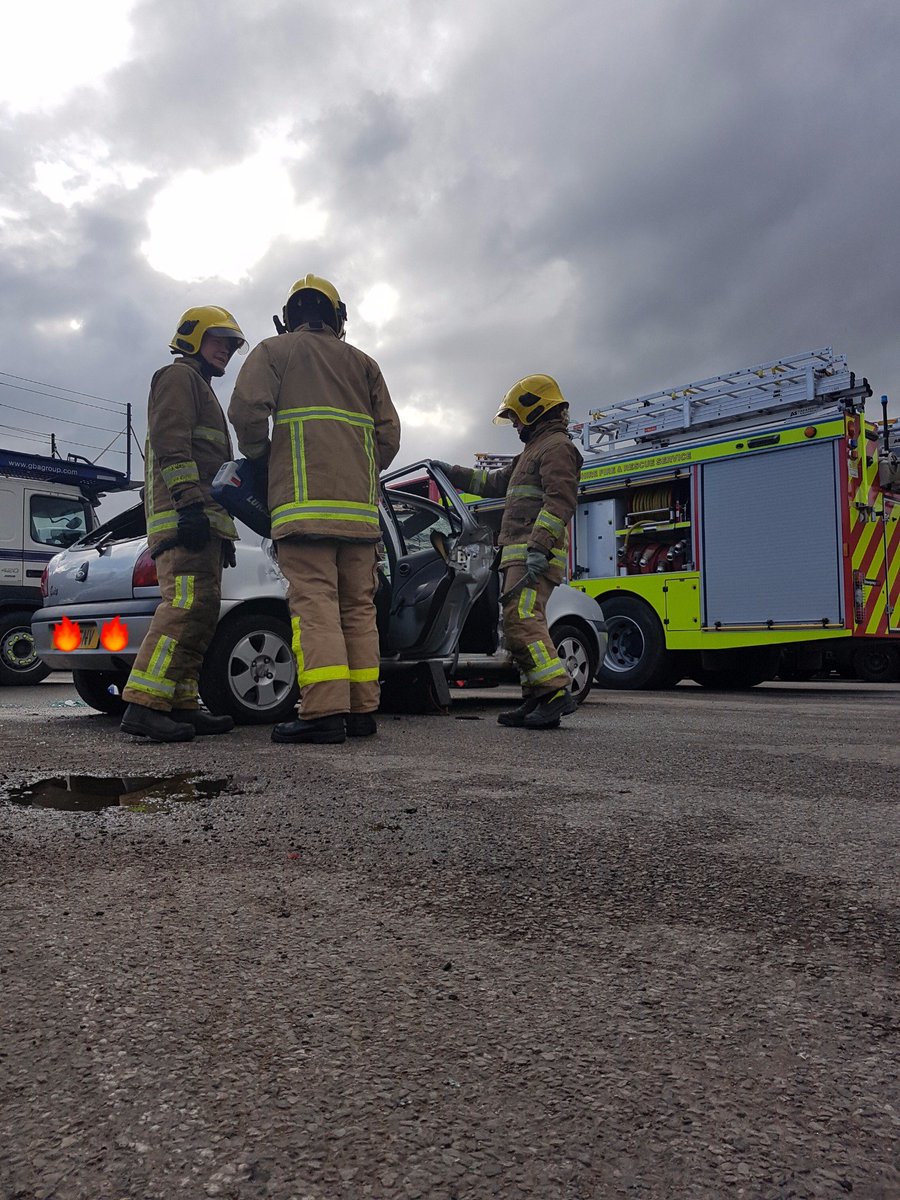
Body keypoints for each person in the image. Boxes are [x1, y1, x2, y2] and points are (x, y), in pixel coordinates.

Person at [228, 274, 401, 745]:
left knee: (316, 608)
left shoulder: (274, 351)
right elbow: (389, 437)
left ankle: (324, 711)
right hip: (361, 517)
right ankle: (362, 710)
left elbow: (246, 411)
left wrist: (262, 457)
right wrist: (360, 467)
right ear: (337, 316)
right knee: (357, 610)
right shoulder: (365, 365)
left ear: (288, 317)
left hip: (303, 512)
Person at [120, 306, 247, 742]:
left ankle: (181, 703)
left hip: (201, 523)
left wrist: (217, 525)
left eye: (231, 345)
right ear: (192, 337)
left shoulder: (201, 388)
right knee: (184, 610)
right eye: (219, 340)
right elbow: (174, 448)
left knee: (201, 616)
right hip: (184, 519)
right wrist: (190, 506)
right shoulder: (178, 378)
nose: (226, 351)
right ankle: (143, 704)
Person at [435, 374, 583, 729]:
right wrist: (451, 473)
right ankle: (535, 698)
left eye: (517, 416)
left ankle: (553, 693)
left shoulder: (557, 448)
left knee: (523, 623)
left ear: (536, 408)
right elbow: (494, 483)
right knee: (518, 626)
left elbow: (560, 501)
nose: (515, 423)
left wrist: (539, 547)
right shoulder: (533, 451)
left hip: (533, 555)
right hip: (519, 553)